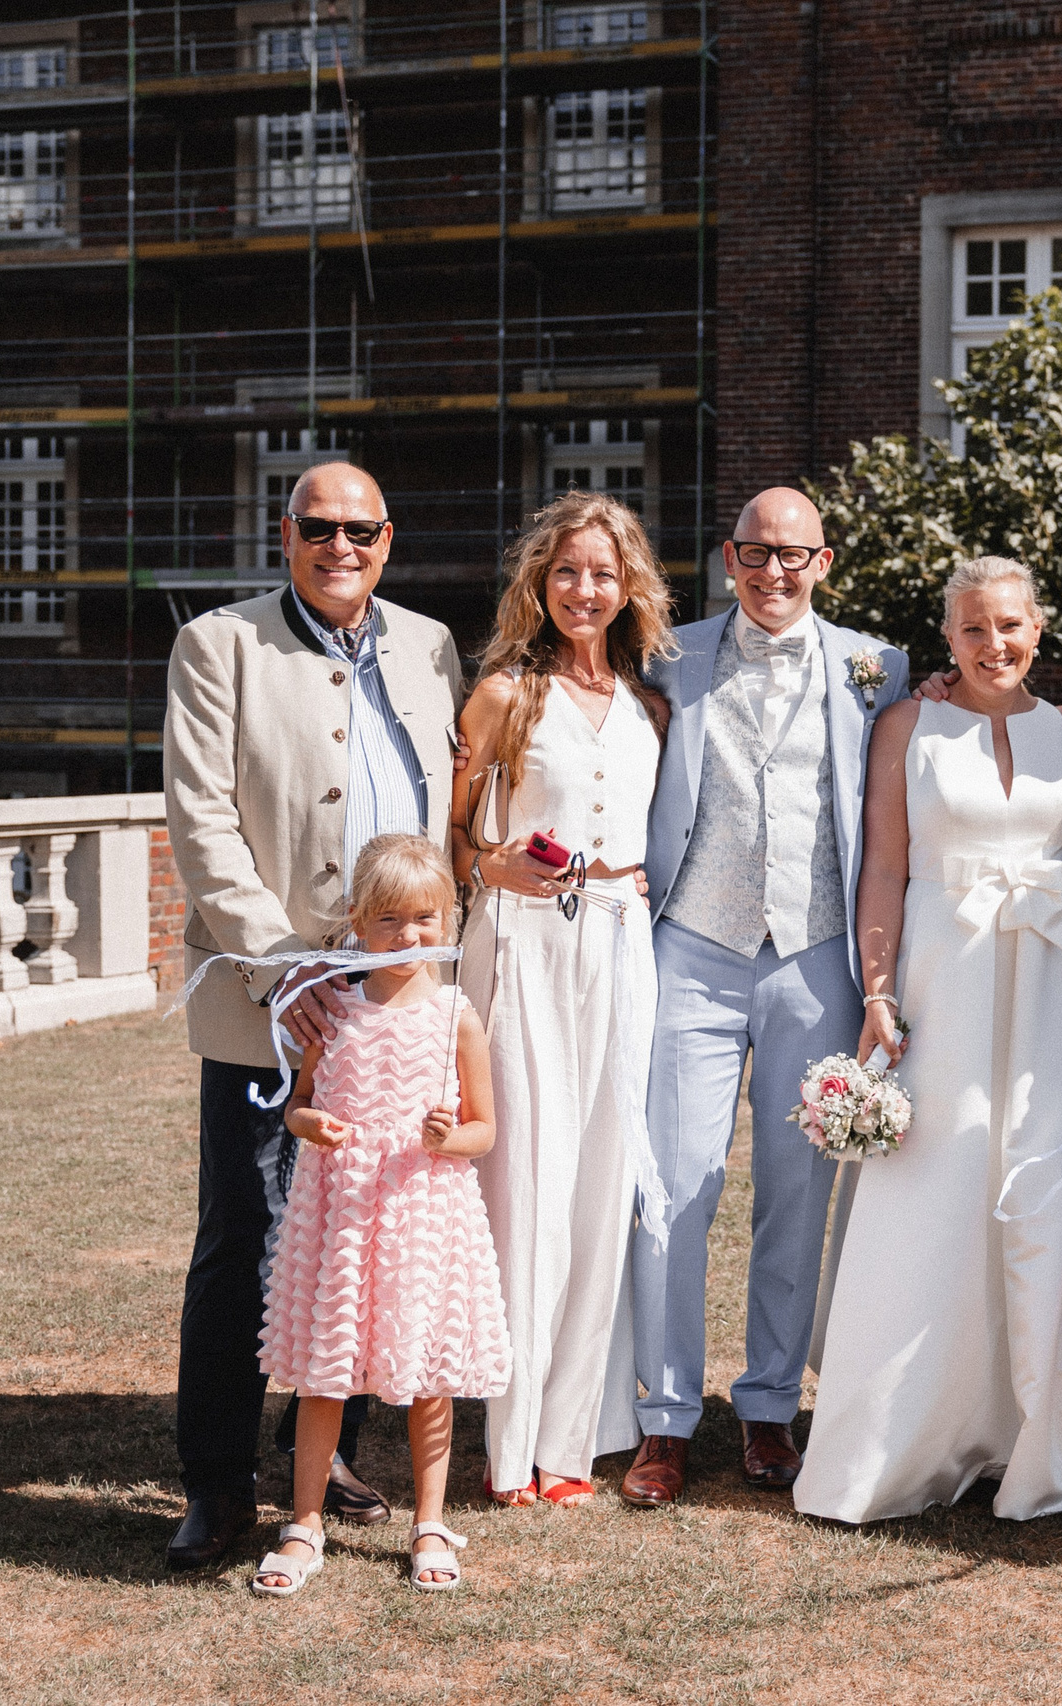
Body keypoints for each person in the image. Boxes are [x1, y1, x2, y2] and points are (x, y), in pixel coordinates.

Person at [161, 462, 463, 1572]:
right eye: (318, 527)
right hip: (271, 1000)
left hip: (394, 1004)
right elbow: (201, 821)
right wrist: (286, 973)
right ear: (284, 533)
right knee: (246, 1234)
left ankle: (323, 1453)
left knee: (365, 1237)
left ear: (390, 537)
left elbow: (449, 808)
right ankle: (215, 1479)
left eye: (362, 529)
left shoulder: (432, 645)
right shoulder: (220, 644)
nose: (341, 545)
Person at [793, 556, 1062, 1524]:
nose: (994, 644)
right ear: (947, 637)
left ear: (1038, 626)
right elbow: (885, 867)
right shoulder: (909, 723)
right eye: (974, 628)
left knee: (1046, 1190)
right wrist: (880, 989)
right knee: (934, 1190)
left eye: (1010, 625)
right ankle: (902, 1436)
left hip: (1058, 989)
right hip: (945, 975)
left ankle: (1040, 1435)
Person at [618, 488, 909, 1508]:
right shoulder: (667, 654)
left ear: (824, 561)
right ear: (727, 557)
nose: (772, 572)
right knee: (671, 1186)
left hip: (816, 953)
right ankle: (662, 1417)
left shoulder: (880, 666)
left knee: (797, 1189)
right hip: (692, 945)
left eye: (792, 554)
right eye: (753, 552)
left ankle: (770, 1403)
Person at [449, 490, 672, 1508]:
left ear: (629, 588)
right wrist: (489, 864)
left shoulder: (646, 702)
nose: (586, 589)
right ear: (541, 581)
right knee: (525, 1185)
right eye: (569, 570)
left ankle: (571, 1444)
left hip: (620, 943)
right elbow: (447, 836)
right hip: (523, 945)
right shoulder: (503, 693)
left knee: (599, 1182)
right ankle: (508, 1447)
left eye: (604, 572)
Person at [250, 835, 507, 1598]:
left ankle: (430, 1519)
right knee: (328, 1372)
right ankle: (304, 1523)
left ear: (449, 917)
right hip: (342, 1215)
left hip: (424, 1212)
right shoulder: (333, 1013)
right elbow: (294, 1106)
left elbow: (484, 1131)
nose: (409, 936)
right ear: (357, 922)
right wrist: (310, 1126)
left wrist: (447, 1137)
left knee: (429, 1371)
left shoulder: (456, 1017)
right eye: (389, 920)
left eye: (426, 918)